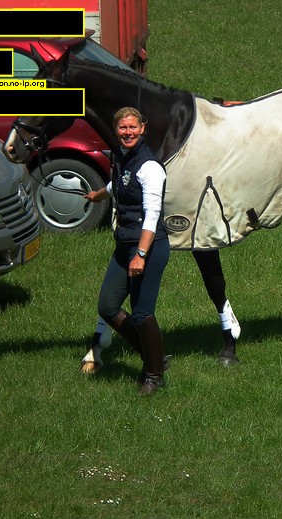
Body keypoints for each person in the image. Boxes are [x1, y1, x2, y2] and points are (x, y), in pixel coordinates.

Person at [84, 106, 170, 395]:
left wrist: (141, 255)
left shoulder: (150, 166)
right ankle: (153, 356)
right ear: (116, 130)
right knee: (108, 306)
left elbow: (152, 214)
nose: (128, 132)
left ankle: (154, 375)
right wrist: (98, 195)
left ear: (142, 128)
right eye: (123, 127)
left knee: (142, 313)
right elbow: (120, 183)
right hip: (125, 244)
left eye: (133, 127)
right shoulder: (122, 156)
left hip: (149, 247)